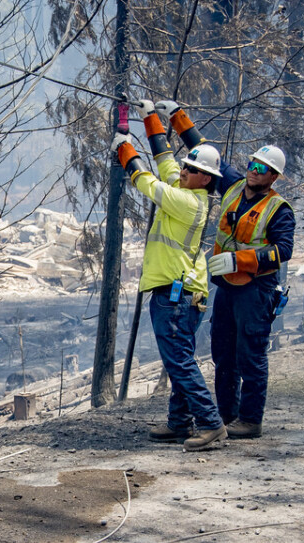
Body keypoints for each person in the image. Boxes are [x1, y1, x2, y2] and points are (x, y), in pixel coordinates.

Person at [154, 99, 295, 439]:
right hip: (227, 289)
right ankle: (227, 415)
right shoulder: (233, 186)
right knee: (222, 355)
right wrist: (176, 116)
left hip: (256, 291)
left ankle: (250, 420)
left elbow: (283, 250)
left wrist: (241, 260)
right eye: (252, 163)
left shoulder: (279, 209)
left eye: (261, 168)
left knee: (251, 356)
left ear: (273, 176)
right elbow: (203, 151)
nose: (253, 170)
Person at [111, 101, 227, 452]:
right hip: (182, 295)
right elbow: (165, 162)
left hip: (175, 296)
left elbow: (147, 182)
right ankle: (180, 422)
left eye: (190, 168)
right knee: (181, 357)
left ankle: (209, 422)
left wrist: (124, 150)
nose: (183, 170)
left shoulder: (188, 202)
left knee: (179, 360)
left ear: (204, 178)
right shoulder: (191, 190)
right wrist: (151, 120)